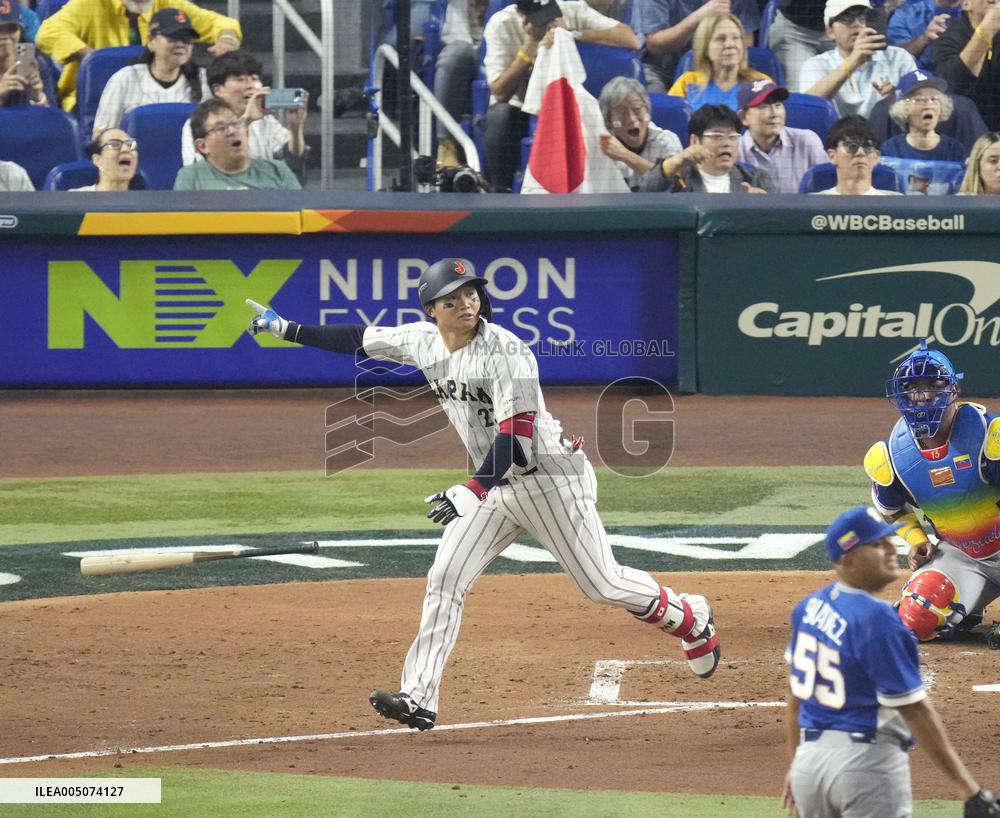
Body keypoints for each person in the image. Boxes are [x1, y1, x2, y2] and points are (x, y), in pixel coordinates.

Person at [245, 258, 722, 730]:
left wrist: (472, 488)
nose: (466, 304)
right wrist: (286, 328)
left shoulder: (507, 352)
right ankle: (418, 697)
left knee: (601, 585)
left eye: (470, 293)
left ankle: (690, 615)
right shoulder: (422, 340)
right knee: (446, 578)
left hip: (550, 480)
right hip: (494, 485)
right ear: (432, 310)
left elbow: (516, 435)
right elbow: (357, 338)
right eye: (451, 300)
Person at [782, 505, 1000, 818]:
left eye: (887, 541)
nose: (889, 550)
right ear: (849, 559)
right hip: (864, 768)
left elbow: (795, 696)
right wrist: (969, 789)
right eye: (876, 545)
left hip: (809, 766)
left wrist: (796, 768)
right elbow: (914, 709)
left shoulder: (809, 607)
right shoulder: (878, 619)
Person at [865, 340, 1000, 647]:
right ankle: (965, 612)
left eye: (933, 386)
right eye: (914, 388)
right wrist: (917, 540)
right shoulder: (892, 456)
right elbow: (890, 508)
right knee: (916, 618)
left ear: (953, 391)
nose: (923, 396)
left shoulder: (990, 436)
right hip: (964, 555)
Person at [483, 0, 639, 190]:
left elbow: (631, 39)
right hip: (524, 111)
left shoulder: (573, 10)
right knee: (499, 116)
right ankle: (501, 192)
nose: (547, 19)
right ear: (520, 13)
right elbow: (499, 92)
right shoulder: (500, 24)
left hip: (572, 109)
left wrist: (573, 34)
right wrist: (532, 43)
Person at [36, 0, 240, 113]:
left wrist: (227, 40)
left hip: (155, 97)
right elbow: (47, 33)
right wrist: (93, 59)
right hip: (91, 102)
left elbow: (221, 23)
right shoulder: (89, 4)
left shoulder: (167, 4)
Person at [180, 50, 309, 183]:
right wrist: (246, 121)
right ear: (218, 89)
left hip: (263, 194)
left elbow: (294, 165)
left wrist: (296, 128)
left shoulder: (266, 121)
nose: (250, 85)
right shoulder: (198, 122)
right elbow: (201, 175)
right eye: (240, 79)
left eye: (254, 79)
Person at [92, 8, 207, 135]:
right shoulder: (124, 80)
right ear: (151, 41)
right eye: (173, 37)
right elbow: (101, 136)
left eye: (186, 39)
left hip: (187, 154)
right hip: (134, 152)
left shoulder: (203, 79)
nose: (181, 44)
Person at [798, 0, 918, 119]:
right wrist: (852, 62)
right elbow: (808, 107)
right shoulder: (816, 64)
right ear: (830, 32)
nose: (857, 24)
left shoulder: (898, 57)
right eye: (846, 18)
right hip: (837, 136)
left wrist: (896, 97)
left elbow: (922, 103)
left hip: (887, 134)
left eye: (861, 17)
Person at [631, 0, 760, 94]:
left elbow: (746, 40)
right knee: (659, 108)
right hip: (660, 70)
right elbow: (655, 44)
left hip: (716, 69)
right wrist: (700, 16)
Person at [641, 102, 775, 191]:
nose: (727, 143)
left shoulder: (756, 179)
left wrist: (763, 208)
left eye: (733, 137)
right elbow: (646, 192)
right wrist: (677, 160)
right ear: (695, 141)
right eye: (717, 136)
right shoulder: (680, 179)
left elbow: (779, 221)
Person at [173, 98, 301, 190]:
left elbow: (301, 218)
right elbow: (182, 225)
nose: (233, 131)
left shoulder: (278, 171)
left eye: (235, 123)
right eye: (221, 128)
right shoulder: (190, 177)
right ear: (202, 146)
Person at [737, 78, 827, 192]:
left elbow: (828, 188)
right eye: (764, 106)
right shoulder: (734, 150)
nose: (774, 113)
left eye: (778, 104)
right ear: (744, 117)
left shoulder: (807, 141)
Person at [667, 12, 770, 110]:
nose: (730, 44)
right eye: (721, 39)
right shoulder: (687, 82)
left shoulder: (760, 82)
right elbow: (673, 121)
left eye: (735, 38)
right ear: (705, 47)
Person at [598, 76, 682, 189]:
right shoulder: (601, 147)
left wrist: (625, 155)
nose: (632, 118)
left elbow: (676, 188)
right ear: (608, 121)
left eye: (637, 109)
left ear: (647, 111)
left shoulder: (667, 141)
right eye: (622, 112)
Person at [935, 0, 1000, 130]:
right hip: (969, 124)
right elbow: (956, 83)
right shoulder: (950, 38)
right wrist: (986, 30)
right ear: (966, 4)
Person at [879, 69, 967, 160]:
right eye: (918, 100)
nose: (928, 106)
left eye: (933, 99)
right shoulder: (891, 150)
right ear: (903, 109)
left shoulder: (955, 150)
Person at [812, 114, 904, 194]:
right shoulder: (813, 204)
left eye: (867, 147)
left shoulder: (896, 204)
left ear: (877, 157)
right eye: (852, 146)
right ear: (832, 156)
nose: (861, 153)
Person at [887, 0, 963, 71]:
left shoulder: (971, 9)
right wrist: (924, 39)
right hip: (919, 79)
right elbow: (896, 60)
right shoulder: (905, 14)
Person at [0, 1, 49, 107]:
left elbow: (53, 119)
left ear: (20, 31)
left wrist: (38, 97)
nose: (4, 36)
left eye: (11, 29)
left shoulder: (31, 60)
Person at [71, 127, 140, 191]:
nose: (125, 149)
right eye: (114, 144)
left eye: (130, 144)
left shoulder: (145, 201)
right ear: (97, 160)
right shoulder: (72, 199)